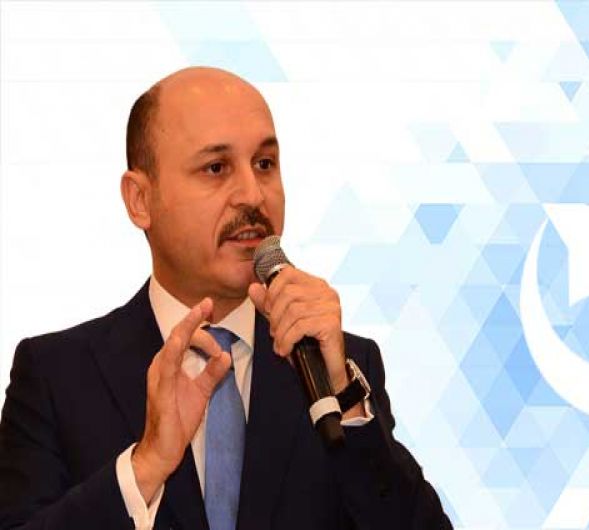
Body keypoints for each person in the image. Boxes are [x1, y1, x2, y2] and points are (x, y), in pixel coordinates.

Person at [0, 67, 452, 530]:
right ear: (140, 200)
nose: (253, 195)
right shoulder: (57, 375)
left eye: (265, 164)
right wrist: (145, 468)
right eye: (216, 168)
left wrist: (345, 398)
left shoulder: (339, 368)